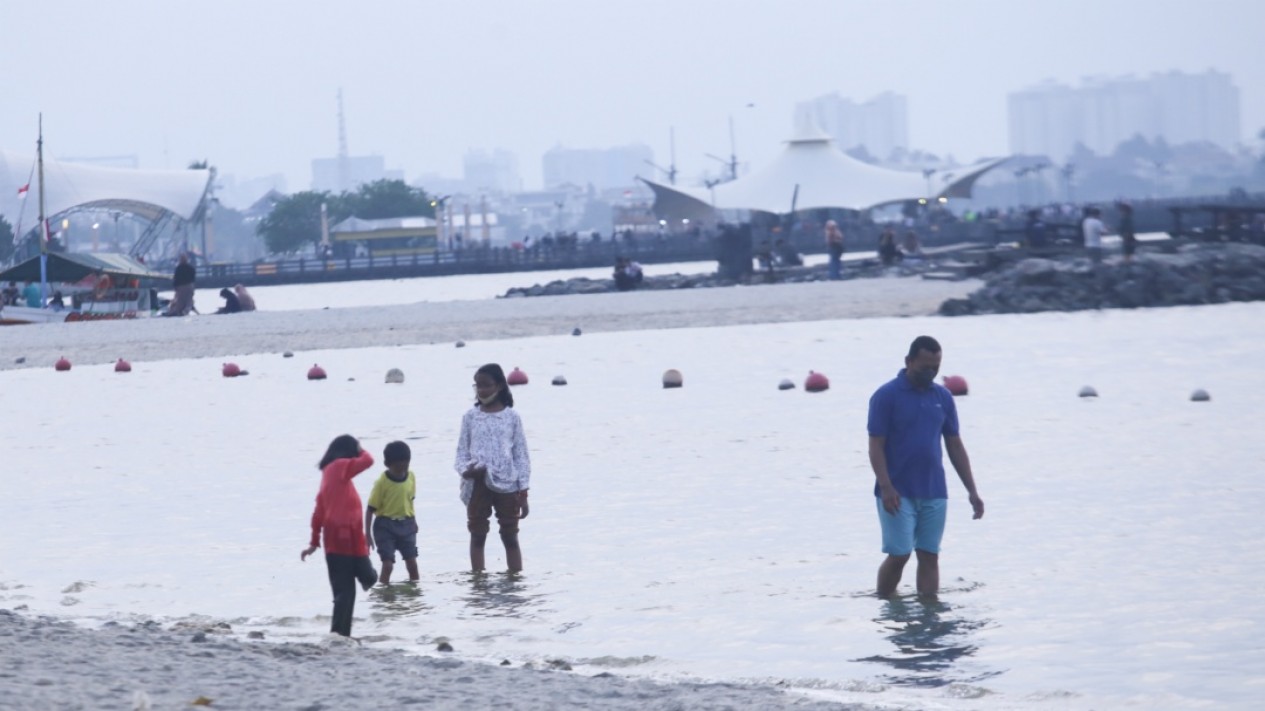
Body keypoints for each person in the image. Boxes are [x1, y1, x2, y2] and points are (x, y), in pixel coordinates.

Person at [867, 336, 984, 598]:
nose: (930, 373)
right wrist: (886, 486)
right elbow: (875, 445)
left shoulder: (943, 396)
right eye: (924, 367)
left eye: (936, 367)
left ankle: (929, 616)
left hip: (934, 490)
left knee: (930, 556)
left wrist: (972, 491)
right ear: (909, 362)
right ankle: (886, 603)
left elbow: (955, 445)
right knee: (899, 554)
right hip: (896, 490)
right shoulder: (886, 396)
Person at [455, 363, 531, 573]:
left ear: (499, 386)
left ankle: (515, 583)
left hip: (508, 484)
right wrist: (467, 471)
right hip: (477, 483)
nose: (481, 390)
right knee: (477, 534)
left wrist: (523, 491)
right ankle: (478, 584)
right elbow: (461, 454)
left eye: (486, 385)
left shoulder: (512, 417)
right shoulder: (470, 417)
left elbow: (521, 456)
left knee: (510, 536)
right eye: (477, 386)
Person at [300, 435, 378, 637]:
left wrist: (314, 542)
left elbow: (319, 510)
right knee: (348, 591)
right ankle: (339, 634)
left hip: (340, 542)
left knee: (346, 591)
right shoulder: (339, 466)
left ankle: (340, 634)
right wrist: (361, 449)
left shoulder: (329, 474)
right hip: (344, 539)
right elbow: (368, 461)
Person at [365, 441, 419, 585]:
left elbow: (410, 501)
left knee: (412, 564)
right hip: (385, 526)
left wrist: (414, 522)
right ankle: (384, 594)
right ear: (388, 464)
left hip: (407, 524)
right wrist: (368, 534)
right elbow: (370, 509)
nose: (402, 470)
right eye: (398, 467)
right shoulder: (382, 483)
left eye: (405, 465)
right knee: (388, 565)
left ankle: (415, 595)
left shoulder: (411, 477)